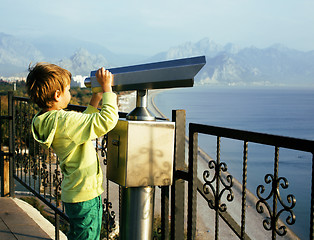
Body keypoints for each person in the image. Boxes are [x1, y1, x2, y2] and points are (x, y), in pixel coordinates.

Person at [26, 63, 119, 240]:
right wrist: (107, 88)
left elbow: (80, 124)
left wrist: (95, 100)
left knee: (78, 235)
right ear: (57, 95)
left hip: (74, 192)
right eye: (68, 89)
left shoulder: (46, 119)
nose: (70, 93)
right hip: (86, 194)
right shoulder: (64, 121)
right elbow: (107, 120)